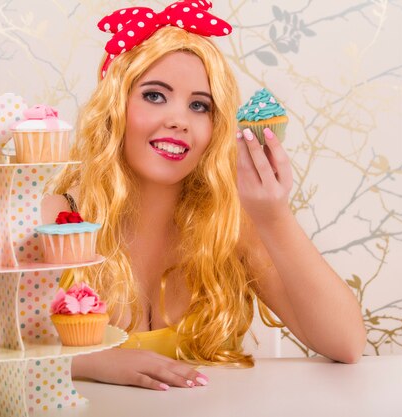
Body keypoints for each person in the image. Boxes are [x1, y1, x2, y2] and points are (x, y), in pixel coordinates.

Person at [42, 0, 366, 391]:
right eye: (155, 96)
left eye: (200, 106)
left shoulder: (230, 228)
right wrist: (91, 360)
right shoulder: (54, 219)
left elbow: (345, 344)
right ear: (114, 109)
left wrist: (274, 215)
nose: (179, 119)